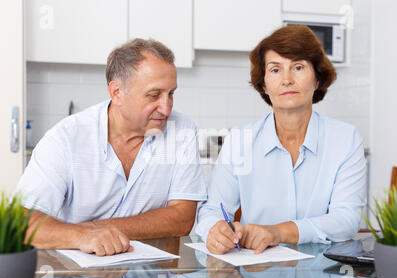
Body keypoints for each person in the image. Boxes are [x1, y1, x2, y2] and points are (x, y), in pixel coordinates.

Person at [16, 38, 207, 256]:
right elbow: (21, 223)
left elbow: (182, 218)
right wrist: (81, 237)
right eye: (154, 95)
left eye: (171, 94)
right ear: (117, 93)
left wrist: (95, 229)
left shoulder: (182, 130)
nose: (166, 108)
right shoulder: (65, 138)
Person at [195, 25, 366, 255]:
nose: (287, 80)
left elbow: (347, 219)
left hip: (323, 275)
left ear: (317, 79)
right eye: (275, 70)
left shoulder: (345, 139)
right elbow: (212, 209)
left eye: (298, 67)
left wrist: (277, 232)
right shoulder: (239, 140)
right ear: (264, 85)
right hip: (254, 275)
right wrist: (214, 230)